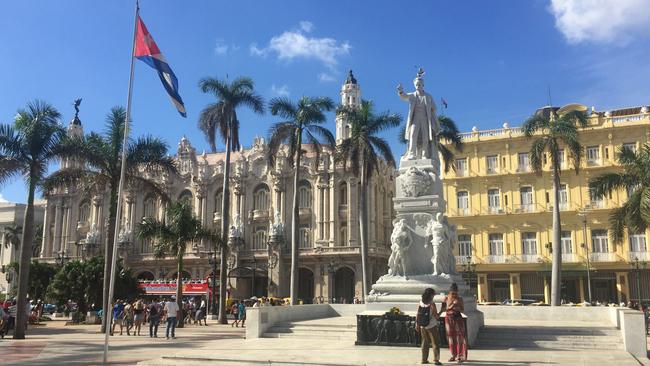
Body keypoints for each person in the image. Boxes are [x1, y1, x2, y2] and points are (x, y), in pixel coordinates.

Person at [441, 283, 467, 364]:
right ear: (449, 292)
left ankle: (459, 355)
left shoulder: (460, 299)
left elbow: (463, 310)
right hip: (448, 318)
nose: (454, 295)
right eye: (453, 293)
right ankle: (453, 355)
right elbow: (443, 309)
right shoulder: (446, 298)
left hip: (458, 318)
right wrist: (452, 305)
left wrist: (458, 306)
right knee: (451, 338)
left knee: (460, 337)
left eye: (456, 293)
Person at [416, 288, 442, 365]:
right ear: (431, 295)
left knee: (424, 342)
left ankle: (424, 359)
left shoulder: (421, 302)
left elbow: (417, 314)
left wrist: (417, 324)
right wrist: (442, 310)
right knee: (435, 343)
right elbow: (436, 316)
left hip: (422, 326)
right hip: (431, 326)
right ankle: (436, 360)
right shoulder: (431, 304)